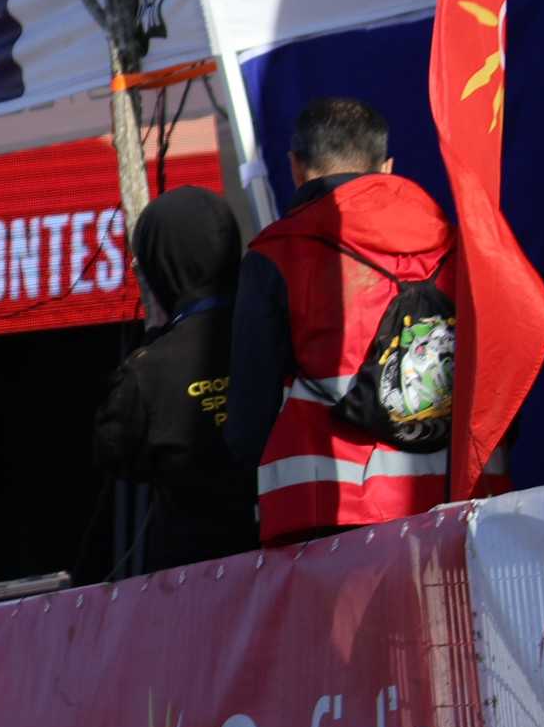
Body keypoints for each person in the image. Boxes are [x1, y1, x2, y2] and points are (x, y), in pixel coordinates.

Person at [227, 97, 495, 546]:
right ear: (387, 167)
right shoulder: (462, 245)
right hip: (463, 510)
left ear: (296, 168)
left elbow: (248, 423)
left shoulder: (276, 255)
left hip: (329, 518)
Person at [94, 186, 258, 571]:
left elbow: (113, 453)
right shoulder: (272, 334)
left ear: (159, 264)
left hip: (193, 581)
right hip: (285, 561)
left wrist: (155, 333)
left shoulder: (147, 371)